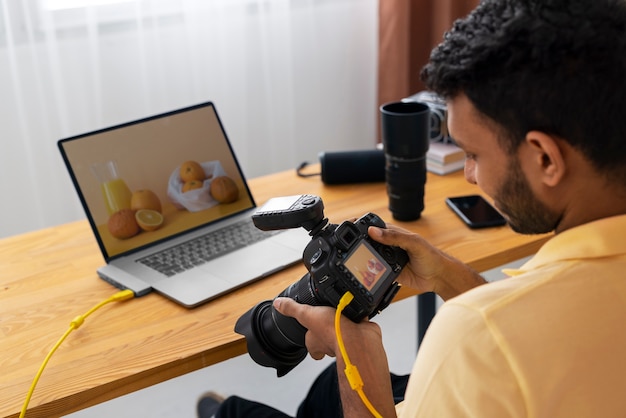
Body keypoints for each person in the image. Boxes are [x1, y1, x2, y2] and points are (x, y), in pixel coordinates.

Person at [198, 0, 626, 416]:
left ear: (545, 159)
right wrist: (444, 273)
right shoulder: (509, 325)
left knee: (253, 408)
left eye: (472, 154)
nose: (470, 176)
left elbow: (500, 338)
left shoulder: (476, 335)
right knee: (326, 391)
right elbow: (533, 339)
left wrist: (355, 362)